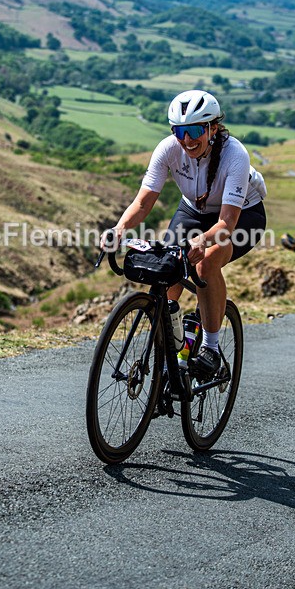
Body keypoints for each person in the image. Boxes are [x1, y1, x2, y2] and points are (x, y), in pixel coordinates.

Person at [102, 89, 267, 376]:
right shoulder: (168, 149)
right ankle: (173, 336)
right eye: (180, 131)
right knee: (168, 266)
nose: (187, 140)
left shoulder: (235, 155)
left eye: (193, 130)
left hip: (242, 216)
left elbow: (227, 224)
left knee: (205, 264)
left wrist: (203, 240)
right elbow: (143, 202)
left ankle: (211, 347)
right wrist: (119, 229)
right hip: (194, 210)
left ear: (212, 128)